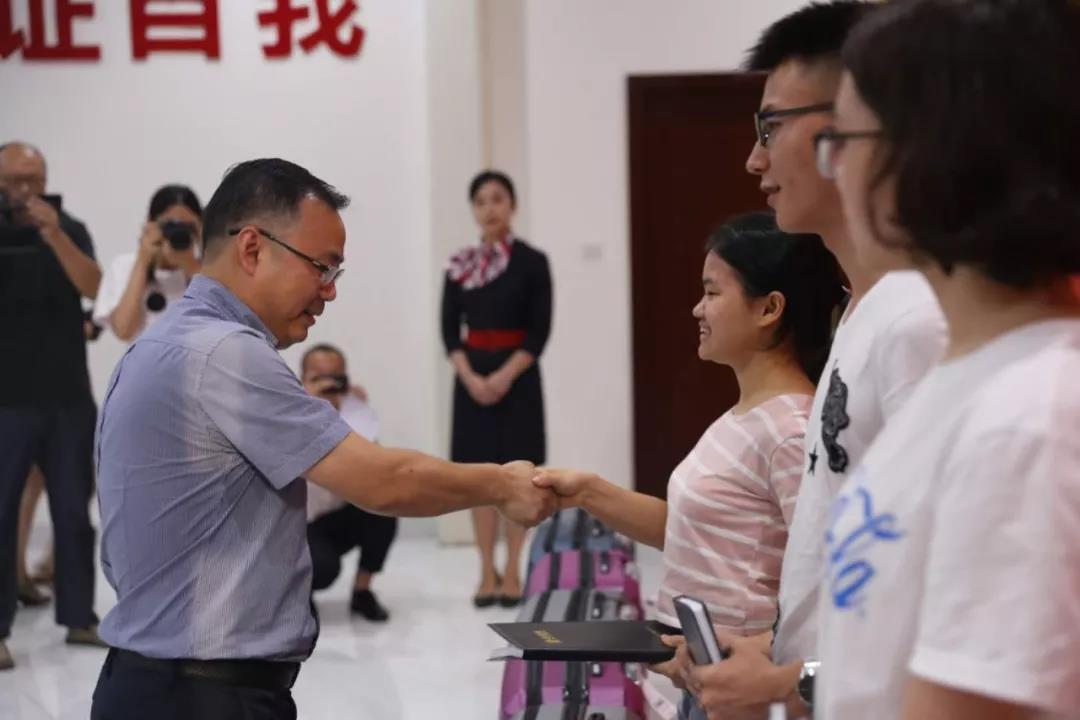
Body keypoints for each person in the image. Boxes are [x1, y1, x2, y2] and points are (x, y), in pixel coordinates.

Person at [91, 158, 555, 720]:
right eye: (322, 267)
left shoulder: (158, 344)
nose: (330, 291)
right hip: (201, 696)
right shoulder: (226, 353)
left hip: (152, 679)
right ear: (253, 248)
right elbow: (384, 482)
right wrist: (502, 484)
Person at [674, 4, 947, 717]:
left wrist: (785, 683)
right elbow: (850, 564)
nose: (753, 159)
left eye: (771, 128)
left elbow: (942, 613)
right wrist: (771, 655)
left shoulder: (918, 321)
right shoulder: (862, 312)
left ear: (856, 126)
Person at [815, 1, 1080, 717]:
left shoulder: (1031, 416)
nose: (832, 171)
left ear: (927, 152)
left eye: (842, 140)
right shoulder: (972, 376)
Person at [534, 212, 844, 720]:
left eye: (712, 292)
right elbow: (691, 532)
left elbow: (827, 580)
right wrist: (586, 492)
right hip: (702, 682)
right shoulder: (747, 416)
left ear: (769, 308)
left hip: (740, 693)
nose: (697, 308)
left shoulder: (790, 431)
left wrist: (757, 658)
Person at [0, 141, 105, 671]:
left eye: (35, 179)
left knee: (73, 512)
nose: (26, 190)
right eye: (15, 180)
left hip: (68, 396)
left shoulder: (70, 227)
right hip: (6, 399)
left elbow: (95, 285)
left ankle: (80, 616)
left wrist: (53, 233)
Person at [442, 170, 552, 608]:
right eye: (481, 200)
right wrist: (471, 378)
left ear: (513, 206)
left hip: (518, 379)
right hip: (471, 380)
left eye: (498, 199)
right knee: (479, 480)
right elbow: (448, 331)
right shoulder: (460, 265)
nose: (490, 208)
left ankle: (513, 571)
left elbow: (539, 332)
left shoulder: (532, 262)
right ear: (473, 209)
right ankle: (486, 569)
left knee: (519, 476)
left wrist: (504, 376)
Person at [301, 343, 396, 622]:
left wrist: (359, 414)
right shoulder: (286, 414)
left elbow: (378, 470)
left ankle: (362, 591)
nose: (328, 385)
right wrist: (309, 404)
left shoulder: (354, 417)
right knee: (323, 568)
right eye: (318, 378)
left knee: (385, 505)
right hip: (293, 528)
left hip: (334, 518)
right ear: (301, 381)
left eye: (336, 378)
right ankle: (297, 596)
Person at [94, 184, 203, 341]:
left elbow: (225, 319)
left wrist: (190, 265)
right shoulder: (125, 265)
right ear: (150, 225)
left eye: (188, 227)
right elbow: (124, 331)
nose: (178, 233)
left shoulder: (208, 269)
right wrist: (143, 261)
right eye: (170, 226)